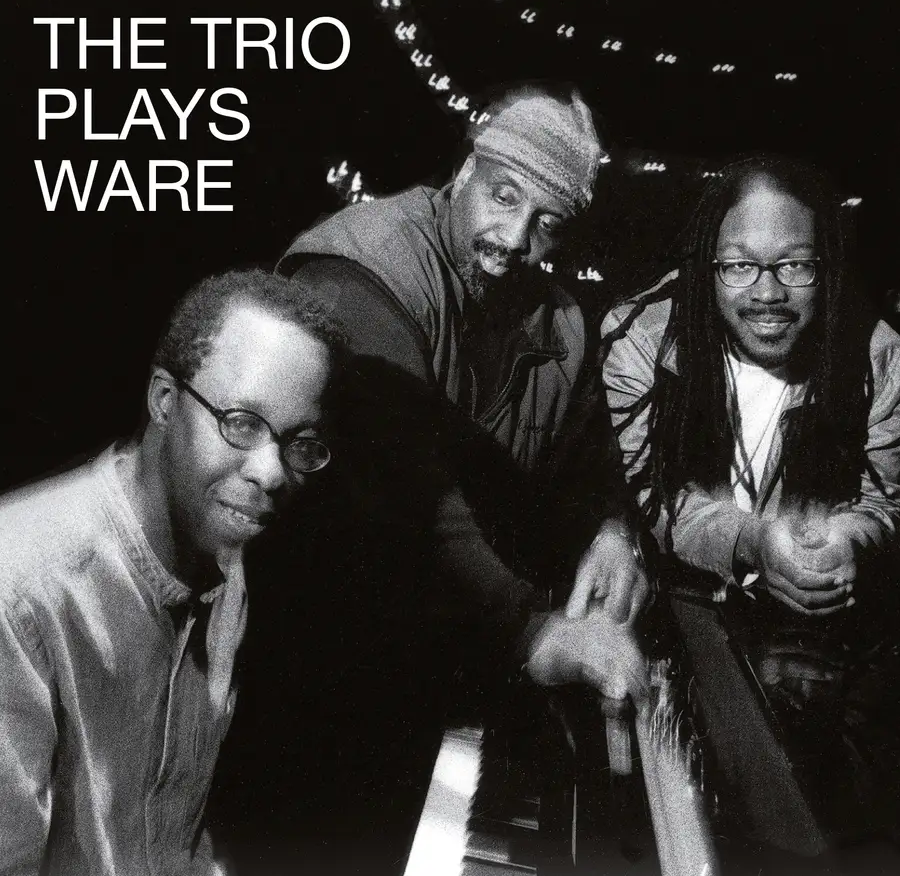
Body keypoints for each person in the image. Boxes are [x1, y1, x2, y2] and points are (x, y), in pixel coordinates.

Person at [215, 83, 649, 872]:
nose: (513, 239)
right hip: (303, 678)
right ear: (465, 171)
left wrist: (611, 531)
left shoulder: (559, 321)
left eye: (546, 222)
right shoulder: (360, 275)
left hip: (439, 668)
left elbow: (586, 463)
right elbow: (407, 496)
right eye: (504, 197)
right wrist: (534, 633)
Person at [596, 155, 900, 859]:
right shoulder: (639, 339)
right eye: (739, 266)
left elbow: (884, 500)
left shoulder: (881, 356)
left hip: (805, 657)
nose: (768, 293)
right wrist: (750, 541)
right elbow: (643, 495)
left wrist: (848, 541)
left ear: (827, 267)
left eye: (796, 266)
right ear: (707, 266)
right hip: (667, 624)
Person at [0, 268, 341, 875]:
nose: (272, 473)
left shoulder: (227, 558)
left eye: (299, 442)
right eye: (242, 423)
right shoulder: (18, 591)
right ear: (164, 401)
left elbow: (174, 842)